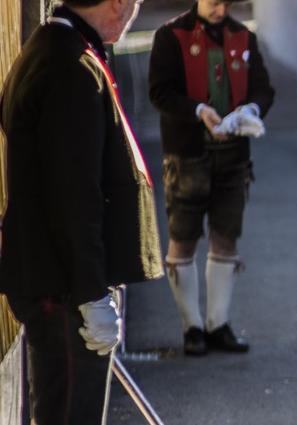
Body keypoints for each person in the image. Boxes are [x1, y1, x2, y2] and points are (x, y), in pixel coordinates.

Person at [0, 0, 163, 423]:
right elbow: (75, 194)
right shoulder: (68, 65)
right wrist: (92, 295)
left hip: (59, 280)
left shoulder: (57, 48)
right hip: (65, 288)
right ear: (116, 3)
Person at [149, 0, 275, 356]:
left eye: (225, 2)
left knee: (226, 237)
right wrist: (198, 110)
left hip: (234, 157)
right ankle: (191, 327)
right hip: (187, 155)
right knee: (183, 240)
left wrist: (251, 110)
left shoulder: (242, 36)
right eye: (213, 2)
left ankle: (217, 324)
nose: (220, 8)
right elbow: (159, 92)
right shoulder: (169, 36)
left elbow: (264, 90)